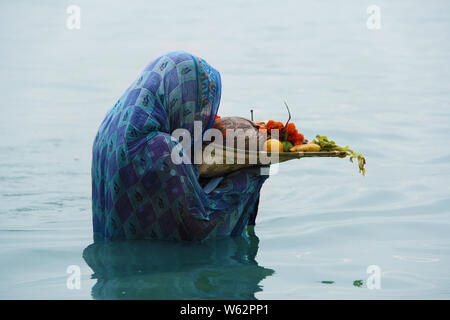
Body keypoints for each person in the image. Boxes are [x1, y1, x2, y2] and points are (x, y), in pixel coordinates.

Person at [91, 51, 268, 241]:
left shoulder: (111, 131)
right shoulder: (162, 148)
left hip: (112, 258)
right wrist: (251, 174)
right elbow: (196, 227)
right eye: (201, 108)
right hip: (160, 266)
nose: (203, 119)